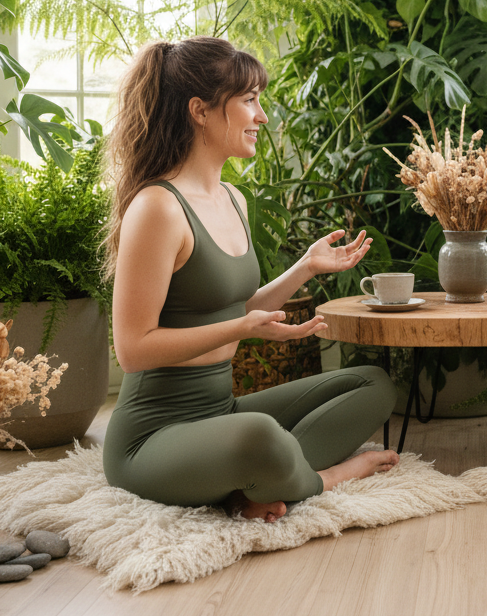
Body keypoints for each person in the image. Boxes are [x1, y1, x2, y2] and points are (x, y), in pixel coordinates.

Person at [101, 37, 398, 522]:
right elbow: (133, 350)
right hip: (151, 437)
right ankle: (325, 477)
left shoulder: (233, 199)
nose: (261, 116)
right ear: (200, 110)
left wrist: (306, 266)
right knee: (261, 435)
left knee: (373, 385)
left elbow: (233, 308)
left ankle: (252, 478)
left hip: (221, 411)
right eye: (249, 100)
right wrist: (241, 329)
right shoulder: (158, 208)